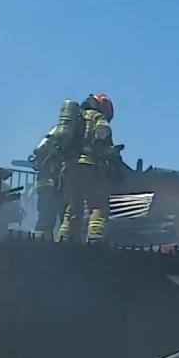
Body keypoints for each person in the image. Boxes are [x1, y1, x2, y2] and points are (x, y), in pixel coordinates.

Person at [57, 93, 122, 244]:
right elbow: (102, 135)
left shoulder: (77, 118)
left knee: (72, 208)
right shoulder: (97, 117)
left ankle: (63, 239)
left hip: (69, 167)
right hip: (88, 165)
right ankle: (95, 240)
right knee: (97, 205)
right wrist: (112, 154)